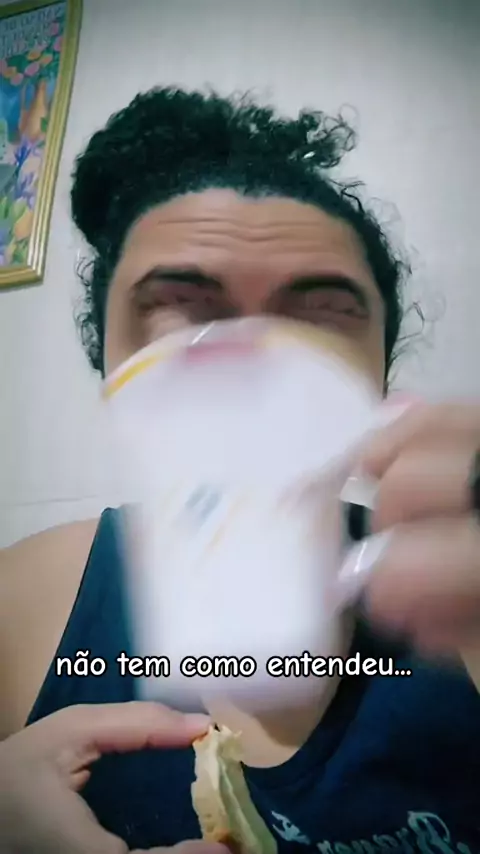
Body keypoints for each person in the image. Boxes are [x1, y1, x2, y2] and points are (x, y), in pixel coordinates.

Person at [1, 86, 480, 853]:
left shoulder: (464, 615)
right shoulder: (18, 608)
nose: (254, 367)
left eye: (320, 317)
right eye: (184, 312)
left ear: (381, 378)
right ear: (111, 371)